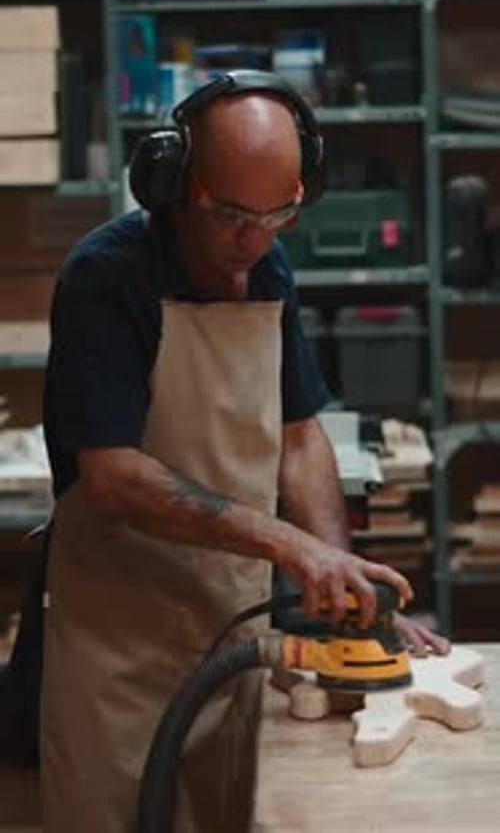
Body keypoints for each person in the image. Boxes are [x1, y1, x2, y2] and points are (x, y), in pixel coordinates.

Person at [40, 70, 449, 833]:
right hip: (116, 648)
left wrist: (347, 587)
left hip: (232, 630)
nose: (251, 243)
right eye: (231, 215)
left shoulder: (267, 267)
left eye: (277, 215)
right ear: (172, 179)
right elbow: (113, 476)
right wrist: (288, 545)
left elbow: (298, 435)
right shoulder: (108, 277)